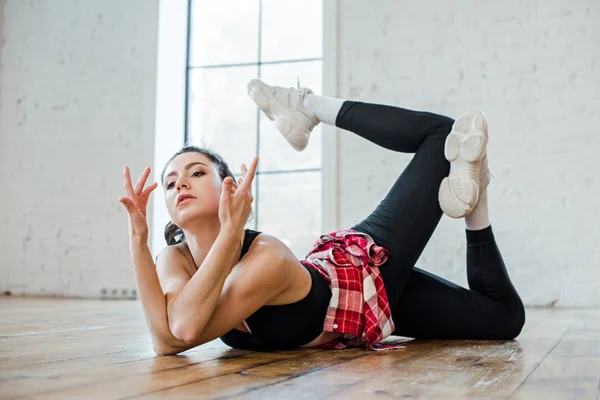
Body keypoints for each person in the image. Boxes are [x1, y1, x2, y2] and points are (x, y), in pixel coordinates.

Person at [118, 79, 525, 355]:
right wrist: (138, 240)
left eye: (197, 172)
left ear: (229, 187)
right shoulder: (174, 258)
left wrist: (233, 229)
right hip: (361, 317)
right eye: (170, 183)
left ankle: (308, 106)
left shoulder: (267, 258)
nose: (180, 185)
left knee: (443, 136)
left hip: (364, 270)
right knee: (505, 319)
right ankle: (478, 193)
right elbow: (165, 343)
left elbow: (183, 329)